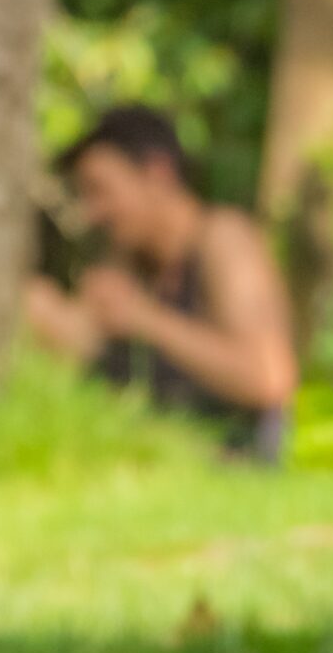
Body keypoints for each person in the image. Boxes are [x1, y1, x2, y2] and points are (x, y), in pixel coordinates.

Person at [25, 105, 298, 462]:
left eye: (100, 190)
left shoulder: (224, 239)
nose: (92, 212)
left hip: (231, 469)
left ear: (157, 173)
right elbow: (85, 346)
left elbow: (268, 379)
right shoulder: (129, 258)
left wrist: (146, 320)